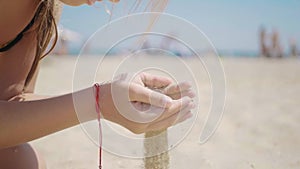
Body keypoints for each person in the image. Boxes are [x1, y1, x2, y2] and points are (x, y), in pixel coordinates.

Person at [0, 0, 195, 168]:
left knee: (22, 161)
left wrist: (105, 100)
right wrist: (97, 102)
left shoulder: (45, 10)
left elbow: (11, 101)